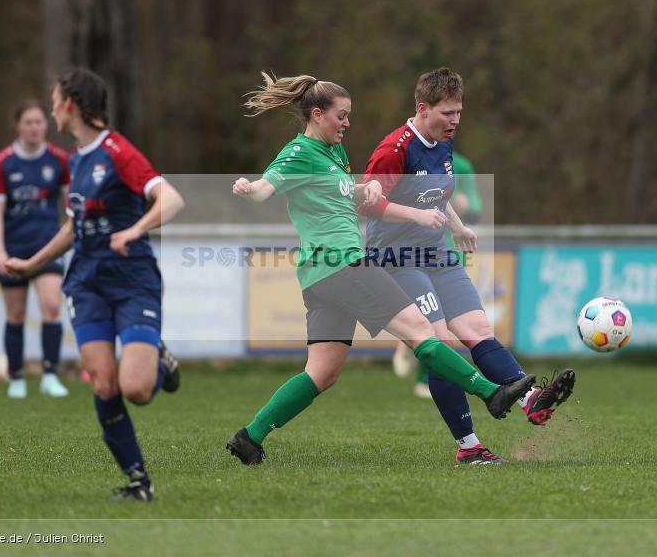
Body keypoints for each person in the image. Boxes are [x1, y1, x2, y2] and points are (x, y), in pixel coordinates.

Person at [225, 72, 536, 466]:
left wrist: (364, 190)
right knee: (423, 332)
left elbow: (335, 196)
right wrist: (251, 189)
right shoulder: (299, 151)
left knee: (322, 372)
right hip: (343, 264)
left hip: (319, 276)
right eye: (341, 116)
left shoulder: (332, 153)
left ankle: (250, 437)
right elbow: (268, 186)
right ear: (318, 114)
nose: (348, 123)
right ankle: (493, 393)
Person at [359, 68, 575, 465]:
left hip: (437, 254)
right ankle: (469, 447)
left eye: (459, 112)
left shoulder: (444, 143)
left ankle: (531, 401)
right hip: (396, 258)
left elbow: (435, 197)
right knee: (441, 345)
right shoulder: (394, 149)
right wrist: (416, 217)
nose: (455, 120)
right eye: (447, 113)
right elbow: (365, 204)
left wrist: (458, 226)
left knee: (478, 330)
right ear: (423, 109)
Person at [5, 68, 184, 501]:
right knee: (104, 384)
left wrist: (134, 230)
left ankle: (162, 362)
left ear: (70, 103)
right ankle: (139, 481)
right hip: (85, 283)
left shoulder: (118, 150)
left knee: (137, 389)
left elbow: (172, 199)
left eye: (54, 101)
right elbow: (74, 224)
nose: (50, 110)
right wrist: (33, 264)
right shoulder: (75, 159)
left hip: (132, 279)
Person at [0, 100, 71, 399]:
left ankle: (50, 375)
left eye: (39, 122)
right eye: (29, 122)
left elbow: (72, 204)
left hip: (47, 248)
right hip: (14, 248)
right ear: (18, 126)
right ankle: (17, 377)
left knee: (51, 306)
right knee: (16, 313)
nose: (35, 127)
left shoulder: (59, 160)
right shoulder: (3, 163)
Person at [394, 150, 483, 397]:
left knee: (443, 319)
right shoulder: (407, 159)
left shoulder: (462, 166)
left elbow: (476, 206)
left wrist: (468, 206)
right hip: (415, 249)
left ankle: (423, 372)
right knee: (431, 317)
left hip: (449, 252)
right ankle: (416, 359)